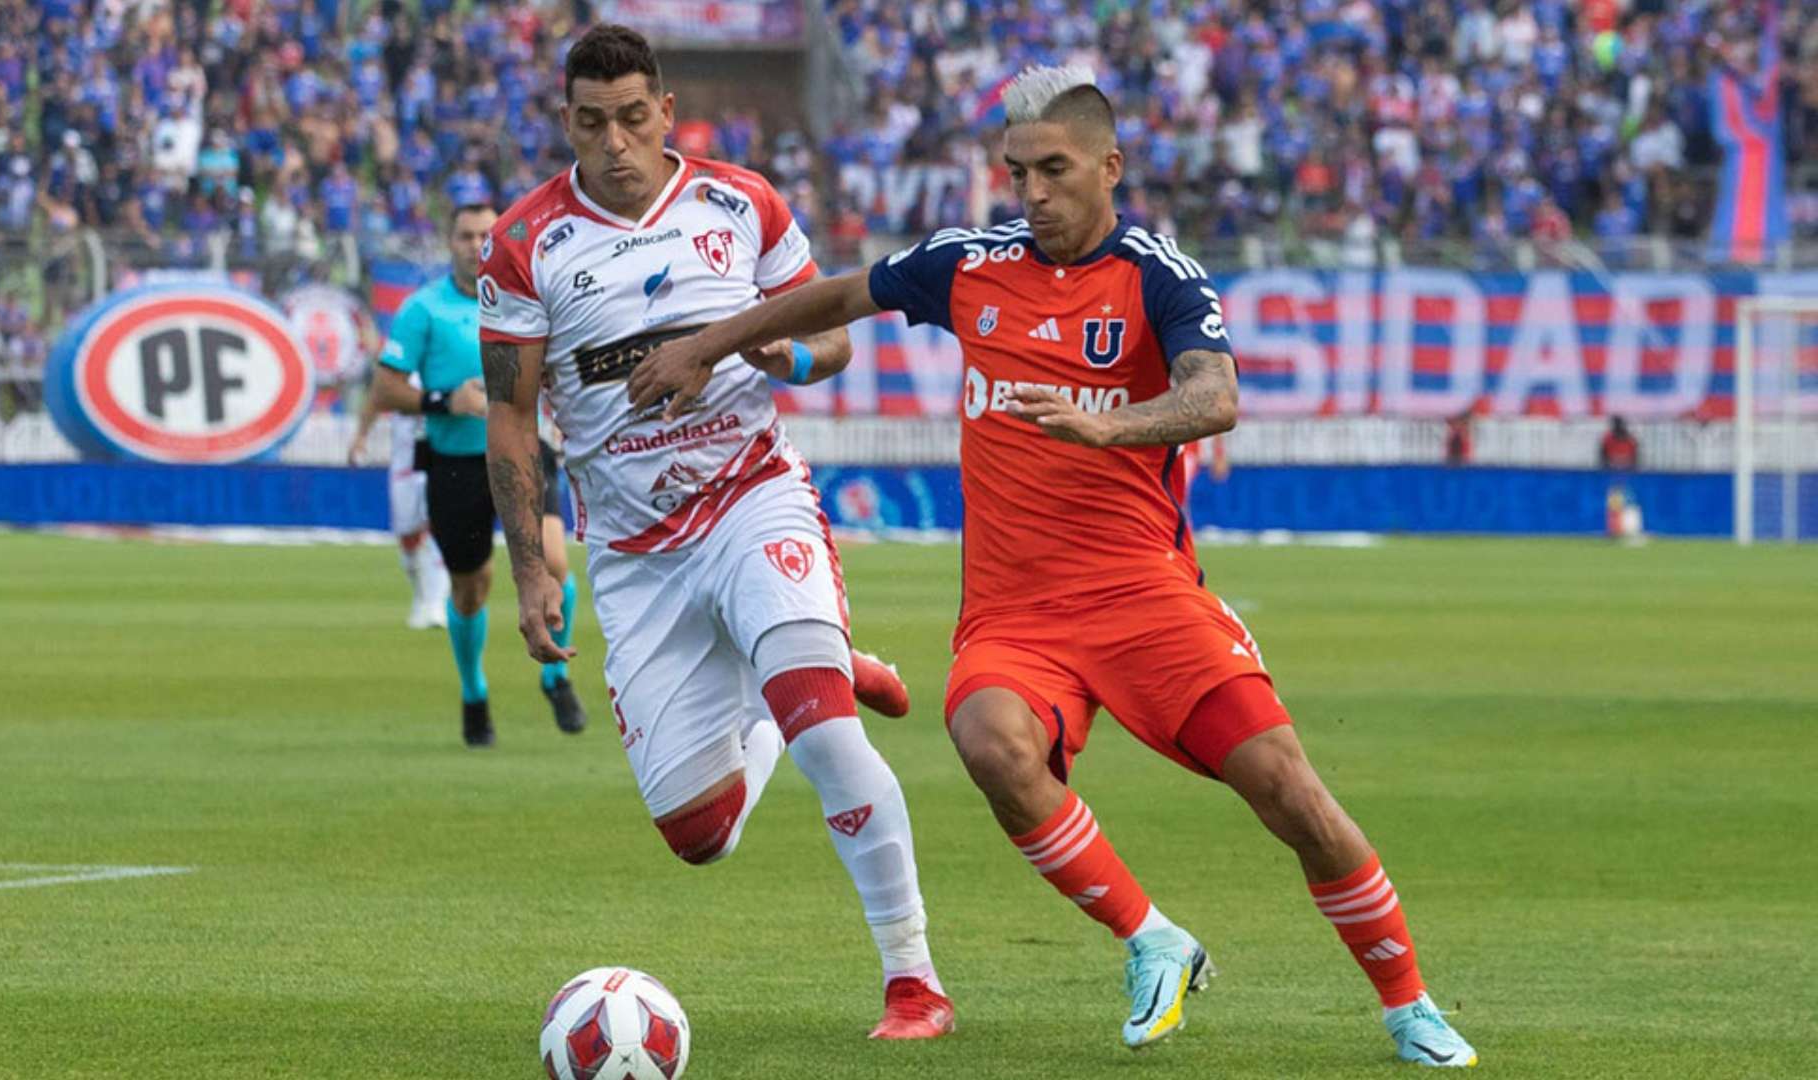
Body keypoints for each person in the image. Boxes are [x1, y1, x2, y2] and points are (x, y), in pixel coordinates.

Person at [628, 64, 1479, 1067]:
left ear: (1110, 167)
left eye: (1054, 170)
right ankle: (1153, 938)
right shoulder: (967, 264)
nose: (1031, 193)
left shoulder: (1159, 275)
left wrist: (1108, 424)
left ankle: (1408, 1005)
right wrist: (710, 345)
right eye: (1017, 172)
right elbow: (840, 295)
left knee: (1287, 789)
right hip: (1015, 615)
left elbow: (1215, 398)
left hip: (1143, 595)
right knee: (989, 743)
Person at [476, 24, 946, 1039]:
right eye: (592, 123)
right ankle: (809, 680)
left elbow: (831, 336)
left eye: (632, 118)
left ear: (666, 112)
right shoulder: (525, 243)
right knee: (701, 834)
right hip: (634, 551)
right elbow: (509, 417)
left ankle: (913, 980)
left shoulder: (741, 203)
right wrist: (530, 572)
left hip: (752, 497)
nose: (615, 143)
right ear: (566, 122)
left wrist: (786, 359)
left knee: (827, 732)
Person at [371, 203, 589, 746]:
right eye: (465, 236)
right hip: (456, 464)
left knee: (555, 562)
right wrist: (445, 400)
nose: (475, 245)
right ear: (450, 243)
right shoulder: (424, 308)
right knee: (471, 589)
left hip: (525, 450)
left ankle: (555, 677)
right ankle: (474, 691)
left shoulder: (529, 296)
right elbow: (385, 388)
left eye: (485, 235)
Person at [348, 377, 450, 630]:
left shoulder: (444, 367)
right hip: (405, 465)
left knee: (439, 529)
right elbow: (376, 397)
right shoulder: (401, 371)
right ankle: (421, 596)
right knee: (408, 537)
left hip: (440, 460)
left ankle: (437, 603)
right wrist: (361, 436)